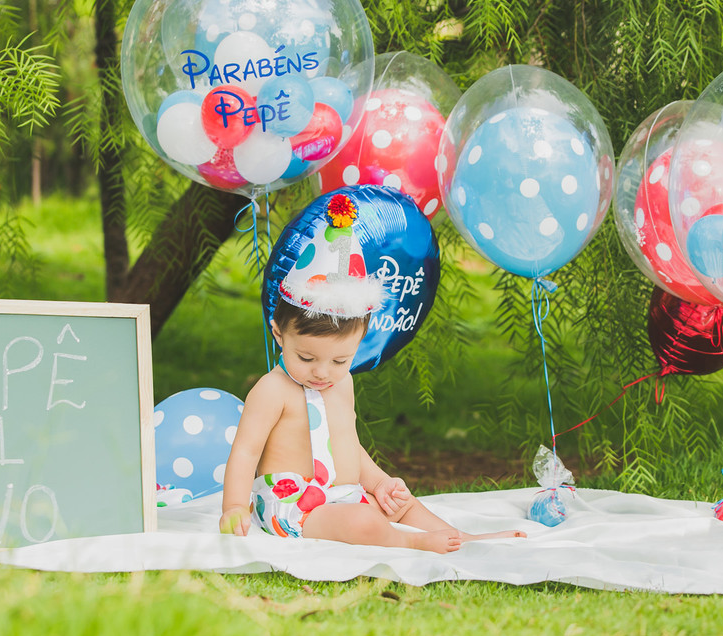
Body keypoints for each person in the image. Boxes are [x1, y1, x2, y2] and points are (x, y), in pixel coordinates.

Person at [218, 193, 525, 552]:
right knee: (363, 522)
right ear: (278, 333)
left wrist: (379, 483)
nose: (322, 372)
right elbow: (245, 451)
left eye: (339, 361)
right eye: (306, 357)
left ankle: (462, 537)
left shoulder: (342, 384)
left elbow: (348, 445)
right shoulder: (272, 390)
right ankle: (413, 542)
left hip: (343, 496)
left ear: (359, 343)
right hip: (294, 505)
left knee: (399, 501)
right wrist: (234, 506)